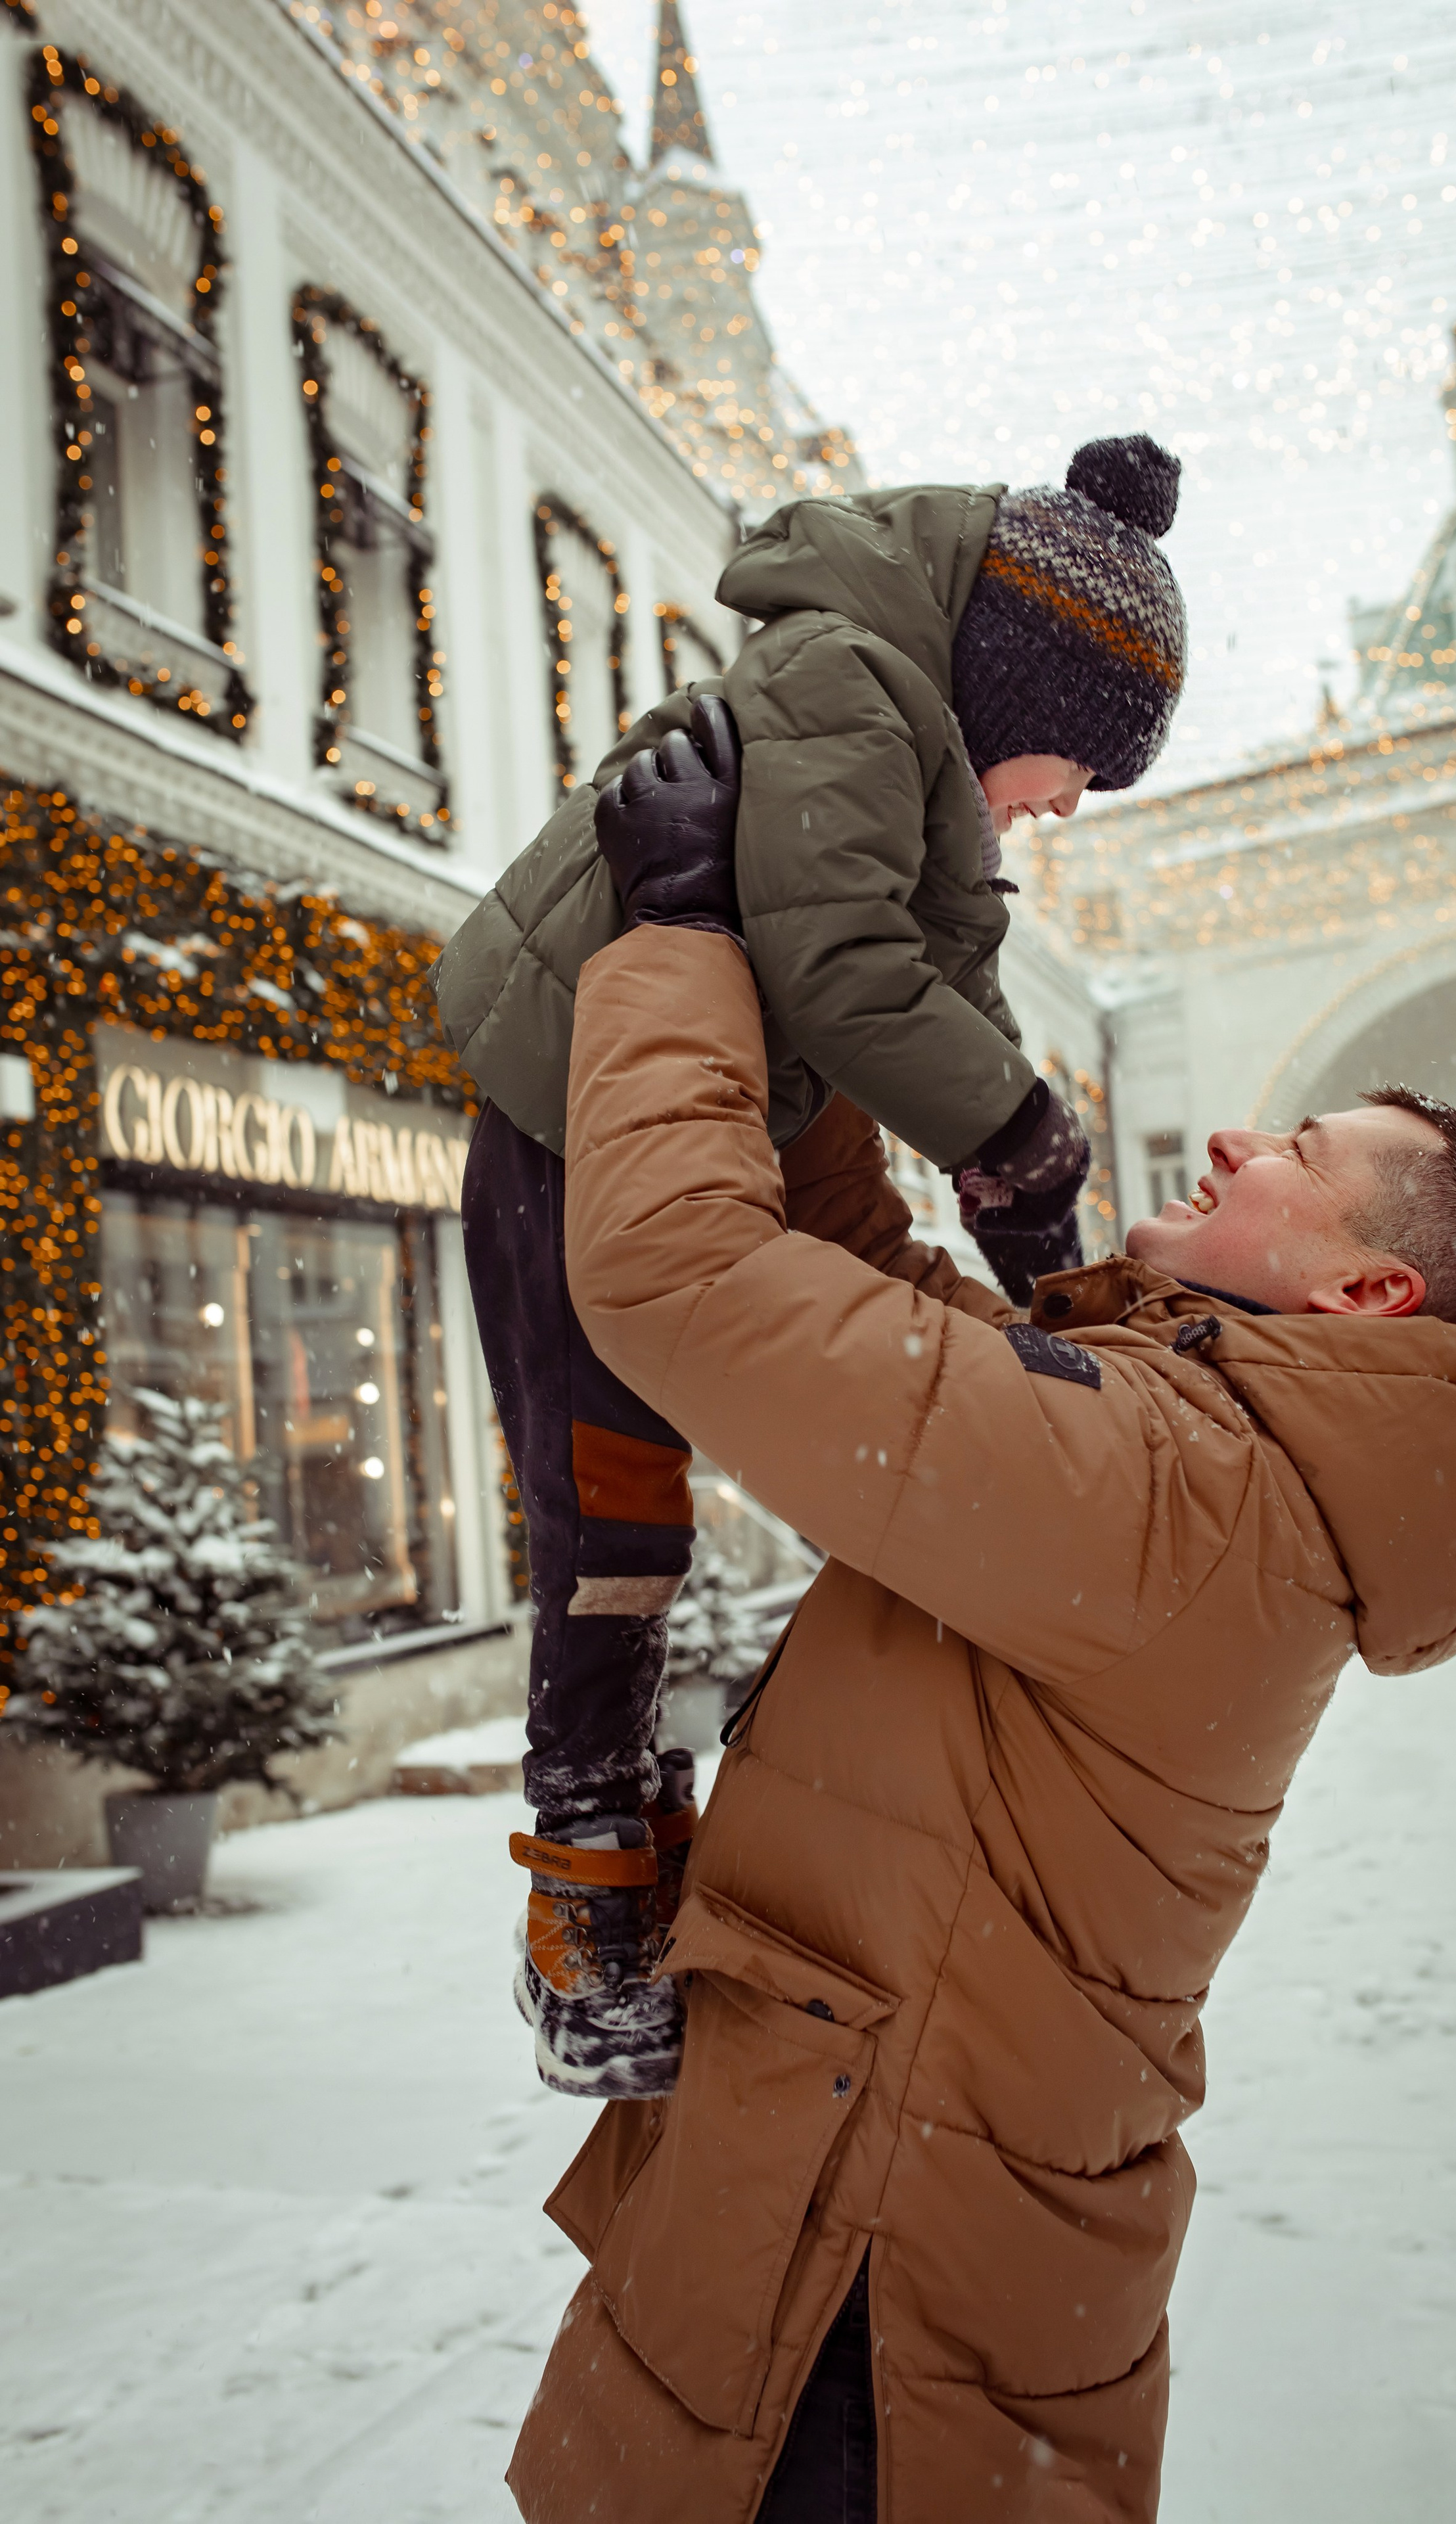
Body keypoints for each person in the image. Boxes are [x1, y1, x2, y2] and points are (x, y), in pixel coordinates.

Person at [500, 739, 1456, 2523]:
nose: (1234, 1138)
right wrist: (823, 961)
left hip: (858, 2323)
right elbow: (851, 1267)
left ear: (1366, 1291)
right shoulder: (1196, 1451)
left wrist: (679, 927)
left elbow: (688, 1278)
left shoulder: (1181, 1498)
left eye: (1298, 1154)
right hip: (857, 2236)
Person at [433, 438, 1188, 2099]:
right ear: (1018, 685)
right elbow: (843, 973)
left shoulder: (909, 745)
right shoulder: (849, 682)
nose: (1065, 804)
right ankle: (586, 1889)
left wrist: (1022, 1194)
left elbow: (943, 978)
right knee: (610, 1510)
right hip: (572, 1103)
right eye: (1077, 766)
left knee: (733, 1464)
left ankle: (657, 1833)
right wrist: (1014, 1128)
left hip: (714, 1105)